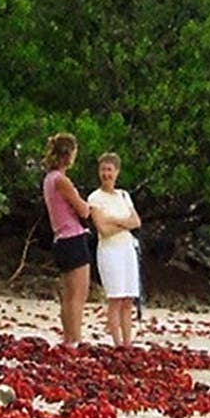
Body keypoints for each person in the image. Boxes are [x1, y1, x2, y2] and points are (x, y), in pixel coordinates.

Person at [42, 133, 93, 345]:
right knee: (78, 294)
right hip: (73, 237)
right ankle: (75, 338)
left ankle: (68, 338)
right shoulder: (62, 181)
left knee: (68, 293)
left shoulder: (48, 179)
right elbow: (83, 209)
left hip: (60, 238)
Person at [86, 153, 142, 346]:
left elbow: (136, 221)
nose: (106, 174)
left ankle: (128, 342)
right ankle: (117, 343)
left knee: (128, 299)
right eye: (103, 169)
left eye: (110, 170)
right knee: (116, 298)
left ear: (117, 172)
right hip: (110, 251)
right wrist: (123, 223)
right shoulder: (95, 198)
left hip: (127, 249)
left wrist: (115, 220)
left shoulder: (124, 195)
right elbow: (103, 229)